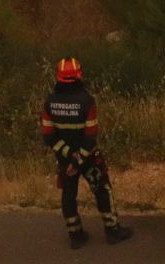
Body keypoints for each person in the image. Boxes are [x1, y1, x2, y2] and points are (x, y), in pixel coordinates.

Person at [41, 57, 134, 249]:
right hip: (89, 157)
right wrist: (80, 159)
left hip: (65, 161)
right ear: (79, 76)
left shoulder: (49, 103)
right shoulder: (87, 101)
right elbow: (91, 136)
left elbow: (48, 137)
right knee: (102, 188)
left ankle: (75, 235)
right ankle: (112, 230)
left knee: (68, 194)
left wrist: (69, 158)